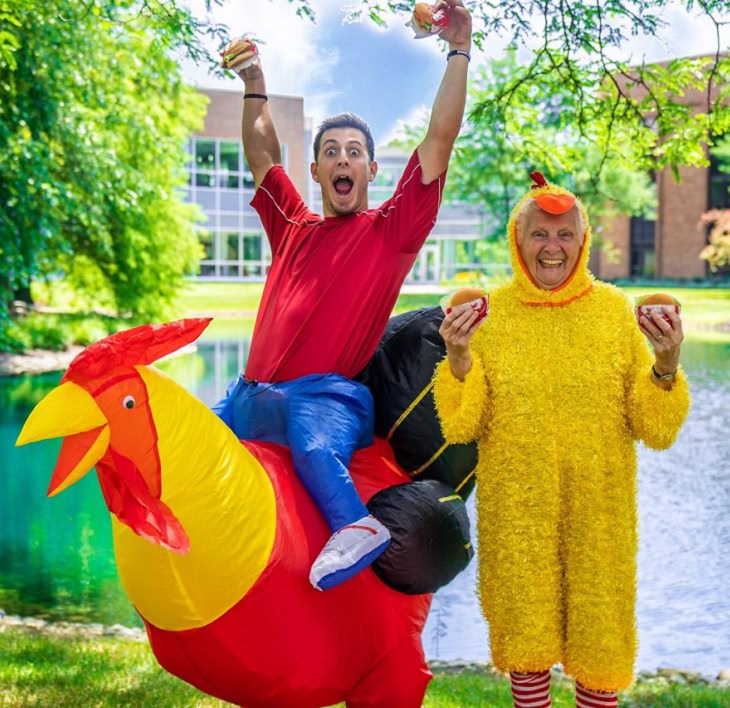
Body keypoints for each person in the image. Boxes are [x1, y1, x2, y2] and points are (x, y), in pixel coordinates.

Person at [213, 0, 472, 592]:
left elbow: (438, 140)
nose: (342, 159)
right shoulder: (293, 227)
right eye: (331, 151)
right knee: (195, 439)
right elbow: (261, 154)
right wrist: (255, 82)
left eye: (354, 151)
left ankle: (354, 526)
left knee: (311, 443)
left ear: (372, 169)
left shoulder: (390, 232)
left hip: (327, 398)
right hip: (250, 396)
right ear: (317, 169)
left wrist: (458, 49)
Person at [434, 172, 690, 708]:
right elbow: (462, 423)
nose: (553, 248)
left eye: (565, 234)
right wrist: (458, 357)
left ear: (584, 239)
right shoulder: (490, 316)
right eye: (540, 234)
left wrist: (665, 366)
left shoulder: (615, 312)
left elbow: (655, 427)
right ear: (517, 238)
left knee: (601, 644)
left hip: (600, 512)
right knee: (525, 641)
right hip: (517, 513)